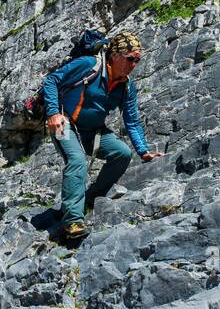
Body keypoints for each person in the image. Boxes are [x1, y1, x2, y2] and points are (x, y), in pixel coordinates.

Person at [42, 31, 162, 241]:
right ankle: (72, 222)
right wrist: (53, 113)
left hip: (94, 131)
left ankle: (90, 199)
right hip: (63, 123)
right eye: (130, 59)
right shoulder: (89, 65)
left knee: (122, 153)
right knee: (77, 159)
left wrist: (144, 152)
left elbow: (132, 121)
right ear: (115, 56)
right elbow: (51, 80)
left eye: (138, 60)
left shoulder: (127, 86)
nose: (134, 64)